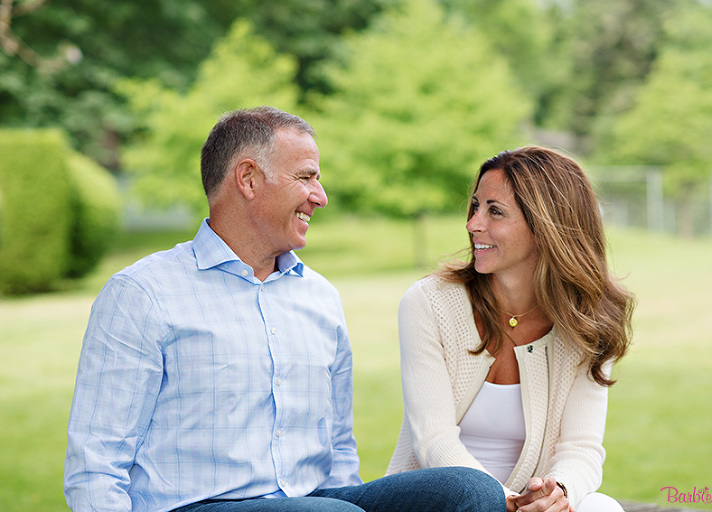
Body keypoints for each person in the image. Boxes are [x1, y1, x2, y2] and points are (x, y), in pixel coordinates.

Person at [63, 106, 506, 512]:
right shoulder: (143, 294)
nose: (320, 196)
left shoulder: (319, 297)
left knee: (471, 491)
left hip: (318, 503)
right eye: (306, 177)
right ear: (248, 179)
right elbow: (95, 468)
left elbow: (338, 449)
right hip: (196, 505)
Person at [386, 146, 636, 512]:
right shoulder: (429, 303)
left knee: (601, 507)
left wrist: (557, 493)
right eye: (476, 206)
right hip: (442, 502)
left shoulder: (587, 320)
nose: (473, 223)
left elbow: (581, 448)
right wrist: (507, 502)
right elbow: (433, 442)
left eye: (495, 211)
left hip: (527, 506)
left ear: (545, 225)